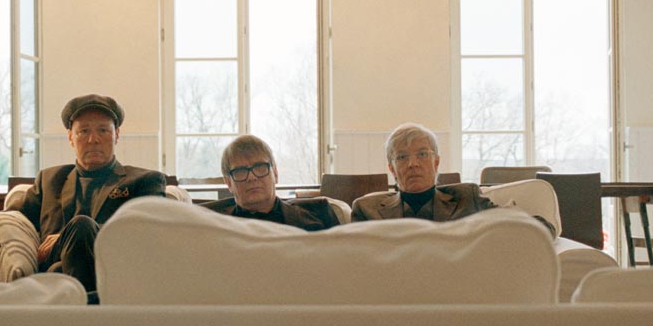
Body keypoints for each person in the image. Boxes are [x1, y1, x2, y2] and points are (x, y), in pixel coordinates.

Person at [19, 94, 167, 296]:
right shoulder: (50, 180)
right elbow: (14, 218)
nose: (93, 140)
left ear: (116, 135)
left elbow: (148, 230)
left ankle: (84, 306)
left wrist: (64, 238)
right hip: (58, 280)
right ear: (70, 137)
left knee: (80, 227)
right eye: (84, 131)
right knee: (58, 269)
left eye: (103, 130)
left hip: (115, 275)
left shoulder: (144, 181)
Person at [351, 122, 505, 223]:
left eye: (422, 154)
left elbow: (510, 225)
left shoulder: (468, 198)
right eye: (402, 157)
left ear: (436, 162)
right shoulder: (367, 210)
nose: (413, 164)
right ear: (392, 169)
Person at [203, 135, 340, 230]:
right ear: (228, 183)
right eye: (241, 171)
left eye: (260, 167)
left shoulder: (315, 219)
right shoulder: (211, 228)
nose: (252, 177)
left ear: (275, 174)